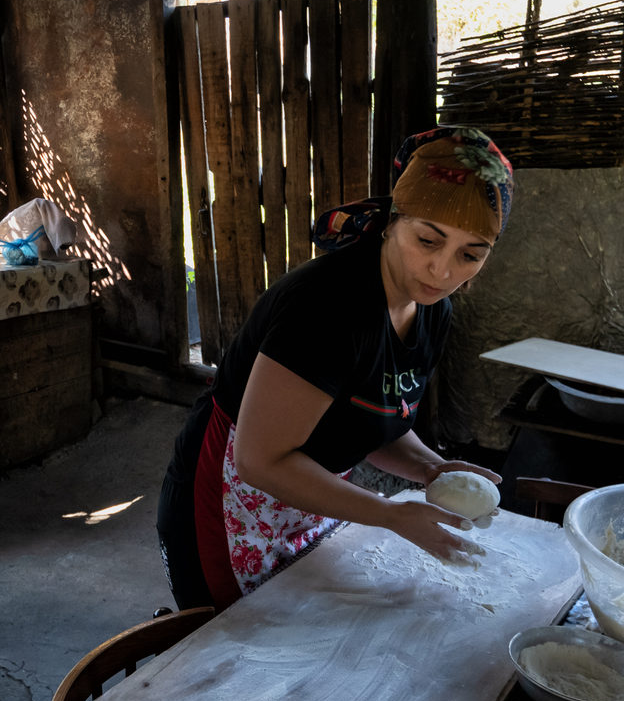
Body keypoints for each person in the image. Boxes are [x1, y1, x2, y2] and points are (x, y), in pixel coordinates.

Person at [157, 126, 515, 611]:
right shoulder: (327, 309)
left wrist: (432, 469)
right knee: (230, 649)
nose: (443, 271)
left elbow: (376, 423)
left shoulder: (431, 310)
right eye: (428, 240)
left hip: (310, 496)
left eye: (471, 254)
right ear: (392, 221)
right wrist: (390, 514)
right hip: (230, 505)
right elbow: (261, 460)